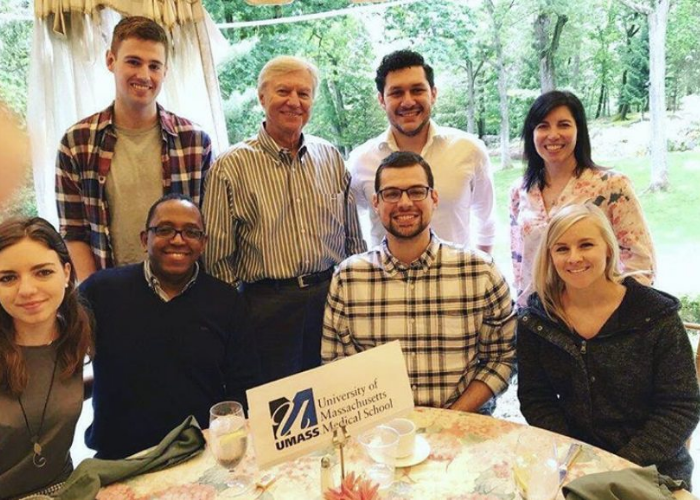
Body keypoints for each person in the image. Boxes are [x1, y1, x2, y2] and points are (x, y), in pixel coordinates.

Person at [203, 56, 366, 384]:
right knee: (278, 403)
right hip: (266, 307)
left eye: (303, 94)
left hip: (330, 298)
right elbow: (217, 260)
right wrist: (235, 317)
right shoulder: (230, 166)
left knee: (337, 393)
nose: (294, 101)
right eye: (283, 91)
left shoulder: (330, 157)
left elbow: (353, 239)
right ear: (262, 97)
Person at [517, 202, 700, 486]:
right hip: (569, 462)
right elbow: (535, 399)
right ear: (550, 256)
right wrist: (573, 456)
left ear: (608, 249)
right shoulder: (537, 319)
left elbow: (681, 406)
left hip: (652, 468)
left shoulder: (655, 316)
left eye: (586, 244)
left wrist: (617, 466)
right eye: (562, 248)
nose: (574, 257)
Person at [322, 152, 515, 413]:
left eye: (416, 192)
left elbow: (503, 357)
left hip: (462, 421)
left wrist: (448, 419)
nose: (404, 203)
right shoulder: (348, 279)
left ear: (434, 198)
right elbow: (336, 365)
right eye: (391, 194)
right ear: (376, 202)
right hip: (382, 428)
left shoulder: (480, 272)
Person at [79, 194, 259, 459]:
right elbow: (60, 352)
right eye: (165, 230)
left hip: (198, 450)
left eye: (191, 232)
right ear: (145, 239)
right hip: (120, 457)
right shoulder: (100, 292)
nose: (178, 239)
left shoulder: (227, 302)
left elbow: (242, 386)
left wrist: (228, 447)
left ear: (203, 243)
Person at [56, 16, 212, 282]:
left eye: (154, 66)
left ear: (165, 72)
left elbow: (209, 227)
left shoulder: (195, 142)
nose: (144, 75)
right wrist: (94, 293)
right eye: (133, 62)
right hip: (111, 287)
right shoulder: (77, 142)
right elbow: (74, 233)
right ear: (110, 61)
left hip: (183, 287)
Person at [510, 90, 655, 306]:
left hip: (597, 312)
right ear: (532, 133)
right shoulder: (520, 190)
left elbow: (640, 261)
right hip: (537, 313)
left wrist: (620, 312)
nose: (553, 135)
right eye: (543, 126)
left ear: (579, 130)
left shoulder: (611, 186)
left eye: (563, 125)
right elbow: (519, 261)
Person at [348, 49, 495, 252]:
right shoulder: (360, 161)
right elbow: (349, 228)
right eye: (396, 93)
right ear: (381, 100)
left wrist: (476, 268)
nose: (408, 102)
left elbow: (486, 223)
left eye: (417, 90)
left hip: (455, 271)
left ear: (433, 94)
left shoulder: (469, 150)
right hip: (385, 272)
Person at [0, 217, 93, 498]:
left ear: (66, 273)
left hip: (64, 488)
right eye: (8, 278)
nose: (27, 290)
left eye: (42, 272)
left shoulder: (76, 334)